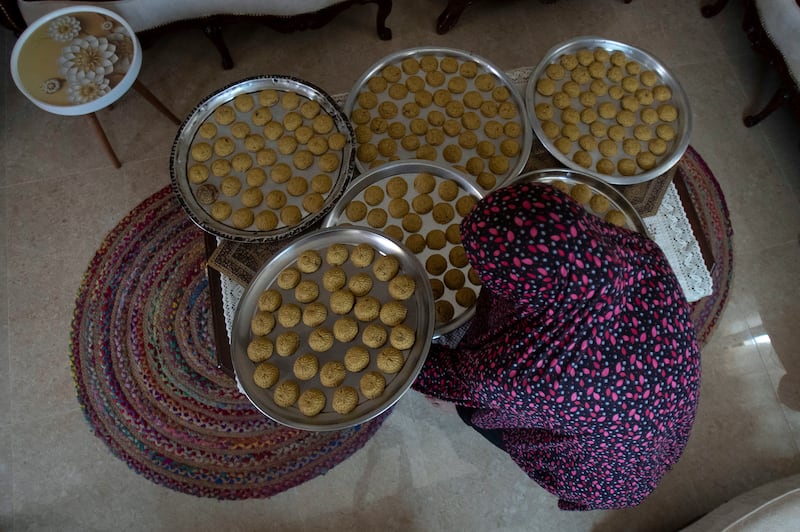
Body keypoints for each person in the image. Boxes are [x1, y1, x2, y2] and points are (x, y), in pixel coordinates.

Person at [412, 180, 701, 511]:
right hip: (661, 416)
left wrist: (450, 396)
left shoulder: (536, 373)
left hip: (605, 470)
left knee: (476, 411)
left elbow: (459, 380)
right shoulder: (638, 252)